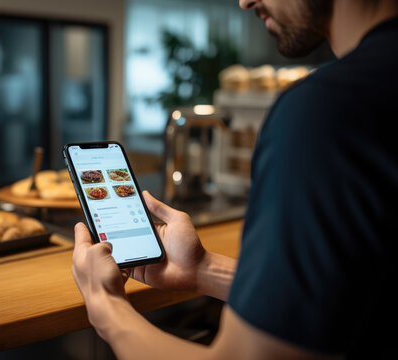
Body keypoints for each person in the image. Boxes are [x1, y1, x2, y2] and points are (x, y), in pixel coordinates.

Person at [71, 0, 398, 358]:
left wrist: (105, 307)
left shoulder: (326, 110)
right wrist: (204, 269)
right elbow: (355, 297)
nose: (244, 1)